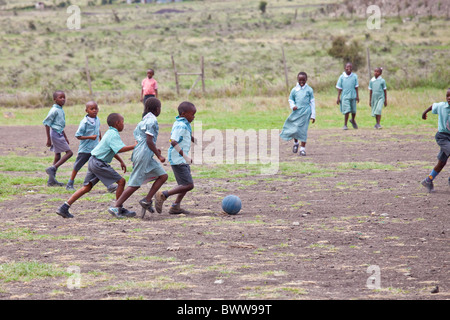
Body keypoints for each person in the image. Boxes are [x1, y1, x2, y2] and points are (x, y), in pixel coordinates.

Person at [56, 113, 137, 219]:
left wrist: (121, 161)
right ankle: (118, 208)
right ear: (117, 123)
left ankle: (64, 207)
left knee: (86, 187)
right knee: (121, 182)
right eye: (123, 122)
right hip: (99, 163)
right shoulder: (113, 134)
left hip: (93, 161)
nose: (123, 124)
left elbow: (112, 149)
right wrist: (135, 146)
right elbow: (119, 149)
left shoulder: (110, 132)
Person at [108, 98, 168, 218]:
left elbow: (144, 140)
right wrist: (158, 155)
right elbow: (149, 141)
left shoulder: (145, 119)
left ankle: (147, 199)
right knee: (135, 183)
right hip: (143, 154)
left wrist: (154, 150)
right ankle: (116, 206)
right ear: (157, 109)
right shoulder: (151, 120)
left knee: (163, 176)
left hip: (144, 153)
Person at [154, 101, 196, 215]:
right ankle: (163, 194)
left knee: (184, 184)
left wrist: (194, 139)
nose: (194, 116)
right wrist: (185, 156)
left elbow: (186, 133)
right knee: (188, 185)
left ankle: (175, 207)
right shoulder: (181, 125)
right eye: (192, 114)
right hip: (178, 159)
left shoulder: (183, 123)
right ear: (183, 114)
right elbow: (173, 141)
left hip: (180, 159)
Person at [420, 88, 450, 193]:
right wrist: (424, 113)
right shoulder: (442, 106)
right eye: (447, 96)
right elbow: (433, 106)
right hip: (442, 136)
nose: (449, 98)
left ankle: (428, 180)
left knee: (442, 162)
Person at [280, 71, 316, 156]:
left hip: (306, 113)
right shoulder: (294, 90)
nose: (302, 82)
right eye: (300, 80)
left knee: (303, 130)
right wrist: (293, 106)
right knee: (295, 129)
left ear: (306, 79)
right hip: (296, 112)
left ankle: (302, 149)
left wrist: (313, 115)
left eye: (303, 80)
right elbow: (290, 99)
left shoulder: (309, 90)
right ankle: (296, 143)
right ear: (297, 80)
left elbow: (312, 103)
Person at [43, 90, 73, 186]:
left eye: (64, 97)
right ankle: (52, 168)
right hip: (55, 134)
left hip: (59, 133)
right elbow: (47, 124)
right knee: (69, 153)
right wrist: (48, 139)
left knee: (57, 156)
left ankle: (51, 180)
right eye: (60, 97)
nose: (63, 99)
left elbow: (59, 124)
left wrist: (65, 137)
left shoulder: (60, 109)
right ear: (55, 99)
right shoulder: (54, 110)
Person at [336, 62, 359, 130]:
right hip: (345, 96)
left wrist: (357, 96)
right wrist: (338, 97)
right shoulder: (342, 77)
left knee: (353, 110)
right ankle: (345, 125)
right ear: (345, 68)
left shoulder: (354, 76)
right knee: (347, 110)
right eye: (347, 67)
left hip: (353, 95)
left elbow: (356, 87)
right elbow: (339, 88)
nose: (349, 68)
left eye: (350, 67)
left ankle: (352, 120)